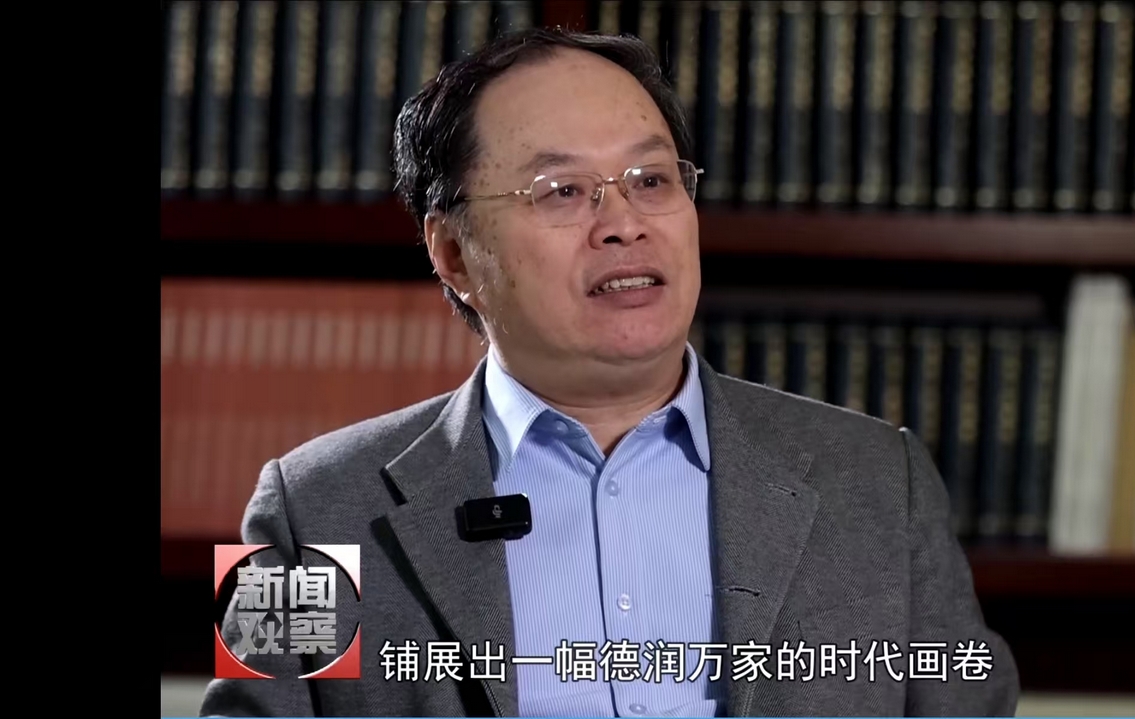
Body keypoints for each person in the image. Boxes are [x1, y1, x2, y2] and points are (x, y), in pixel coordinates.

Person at [200, 26, 1017, 718]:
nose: (623, 223)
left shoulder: (878, 479)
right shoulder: (309, 510)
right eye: (562, 191)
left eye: (651, 180)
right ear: (453, 253)